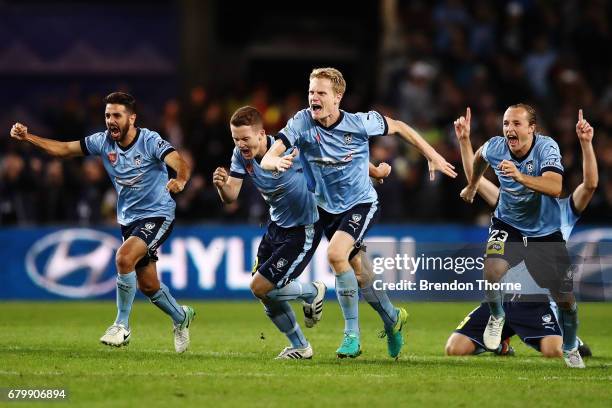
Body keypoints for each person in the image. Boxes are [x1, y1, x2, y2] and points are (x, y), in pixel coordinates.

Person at [261, 67, 457, 358]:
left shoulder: (361, 123)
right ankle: (392, 319)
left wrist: (434, 155)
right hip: (325, 208)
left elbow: (401, 127)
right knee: (362, 275)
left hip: (360, 204)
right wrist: (274, 163)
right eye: (311, 91)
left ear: (338, 97)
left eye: (321, 93)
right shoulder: (302, 122)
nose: (313, 97)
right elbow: (270, 155)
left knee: (336, 255)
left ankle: (351, 334)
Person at [10, 92, 195, 353]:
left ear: (132, 118)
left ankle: (121, 325)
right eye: (107, 115)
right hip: (128, 219)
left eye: (116, 115)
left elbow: (178, 161)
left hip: (158, 214)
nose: (110, 120)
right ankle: (181, 317)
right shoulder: (102, 142)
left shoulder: (150, 140)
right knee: (149, 286)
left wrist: (181, 179)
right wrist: (28, 137)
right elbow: (64, 149)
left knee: (123, 258)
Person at [447, 108, 597, 360]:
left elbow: (570, 186)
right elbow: (480, 165)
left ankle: (571, 345)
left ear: (532, 128)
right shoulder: (499, 157)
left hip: (535, 298)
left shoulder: (563, 210)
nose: (509, 128)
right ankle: (497, 318)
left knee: (565, 306)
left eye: (516, 123)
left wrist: (585, 144)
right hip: (507, 270)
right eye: (505, 123)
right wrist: (467, 158)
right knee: (491, 270)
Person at [213, 106, 327, 359]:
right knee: (264, 294)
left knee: (261, 286)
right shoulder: (241, 156)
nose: (240, 144)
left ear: (261, 134)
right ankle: (300, 347)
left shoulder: (293, 150)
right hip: (275, 229)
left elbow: (327, 162)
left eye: (245, 138)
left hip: (303, 229)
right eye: (235, 139)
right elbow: (231, 196)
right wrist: (221, 186)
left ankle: (312, 291)